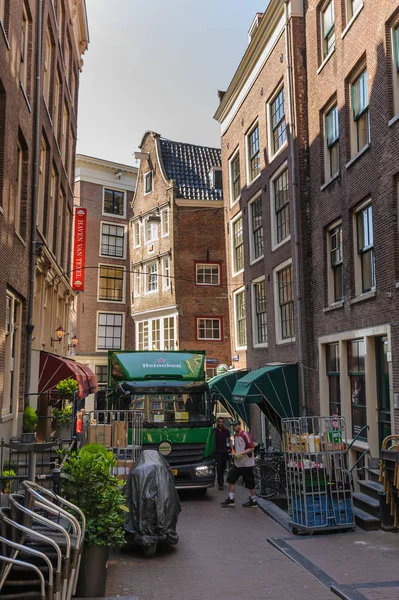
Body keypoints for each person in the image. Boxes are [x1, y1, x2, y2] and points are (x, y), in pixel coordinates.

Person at [221, 420, 257, 508]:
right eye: (233, 426)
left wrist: (241, 453)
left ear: (239, 425)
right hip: (238, 463)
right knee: (231, 479)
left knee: (250, 483)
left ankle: (254, 501)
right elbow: (236, 447)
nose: (234, 427)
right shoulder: (235, 436)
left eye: (235, 425)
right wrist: (234, 452)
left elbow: (251, 448)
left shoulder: (245, 435)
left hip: (246, 463)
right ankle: (231, 499)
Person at [213, 417, 231, 490]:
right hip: (217, 452)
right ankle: (220, 483)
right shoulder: (214, 431)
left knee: (223, 467)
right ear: (217, 422)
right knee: (219, 467)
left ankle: (221, 480)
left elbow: (229, 440)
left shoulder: (226, 431)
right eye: (219, 422)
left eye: (222, 422)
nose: (221, 423)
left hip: (224, 451)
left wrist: (231, 447)